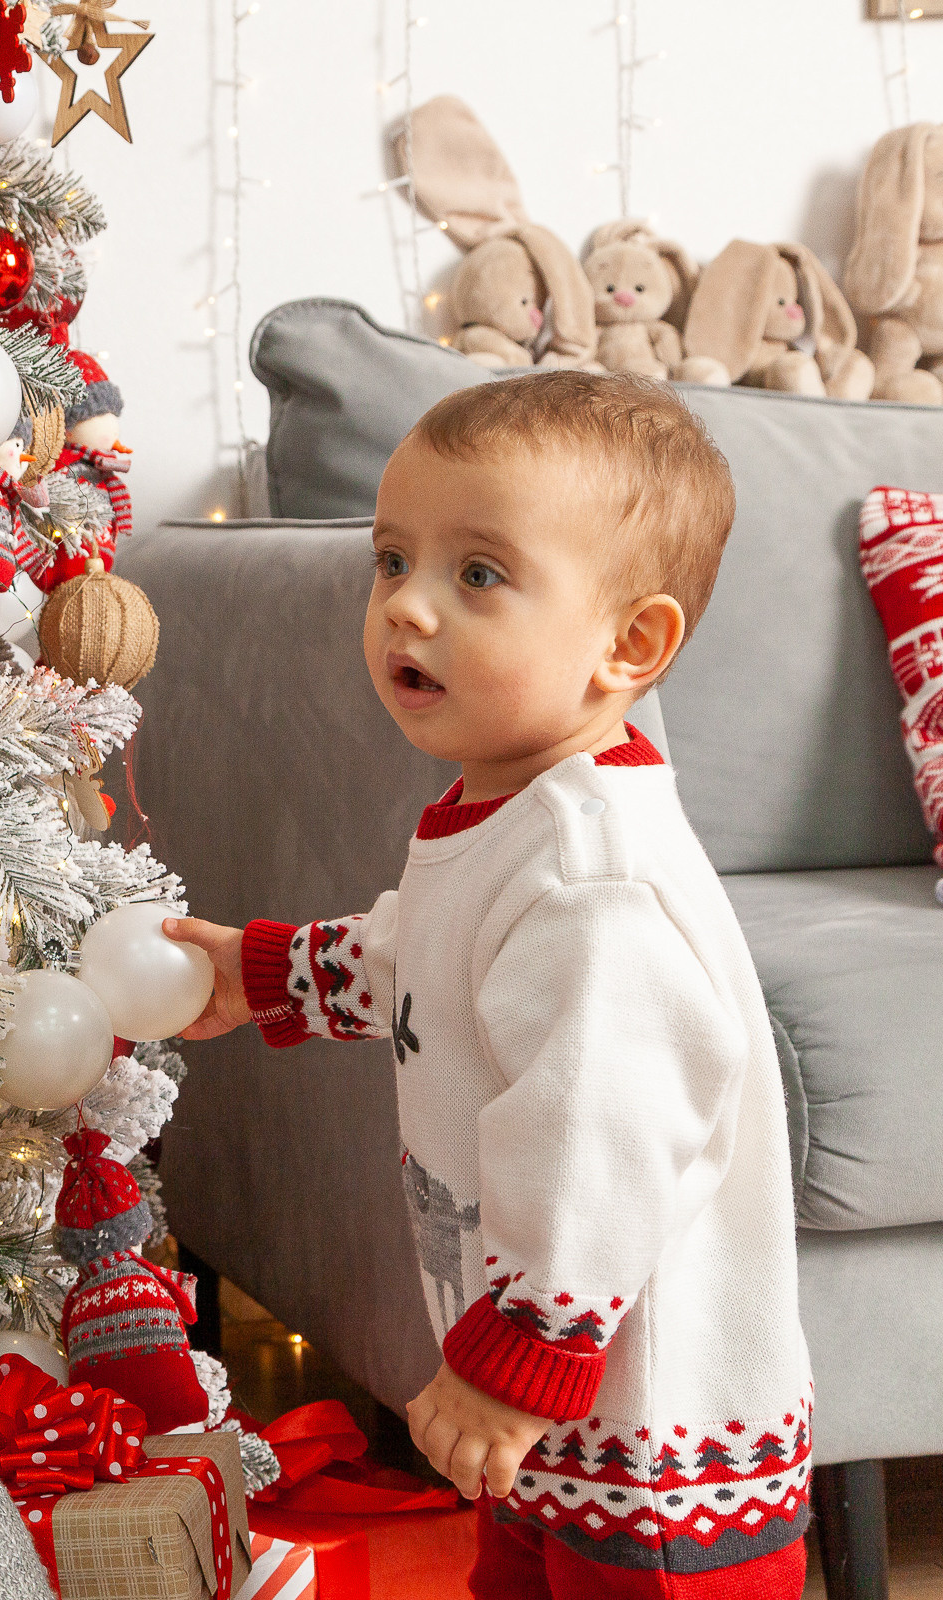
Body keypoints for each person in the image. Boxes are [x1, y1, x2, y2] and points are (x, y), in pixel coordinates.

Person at [165, 372, 811, 1598]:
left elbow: (600, 1143)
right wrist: (275, 976)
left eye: (477, 575)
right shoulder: (511, 810)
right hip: (566, 1415)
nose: (406, 606)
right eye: (392, 558)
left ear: (629, 644)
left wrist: (511, 1364)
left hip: (652, 1446)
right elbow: (432, 956)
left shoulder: (597, 883)